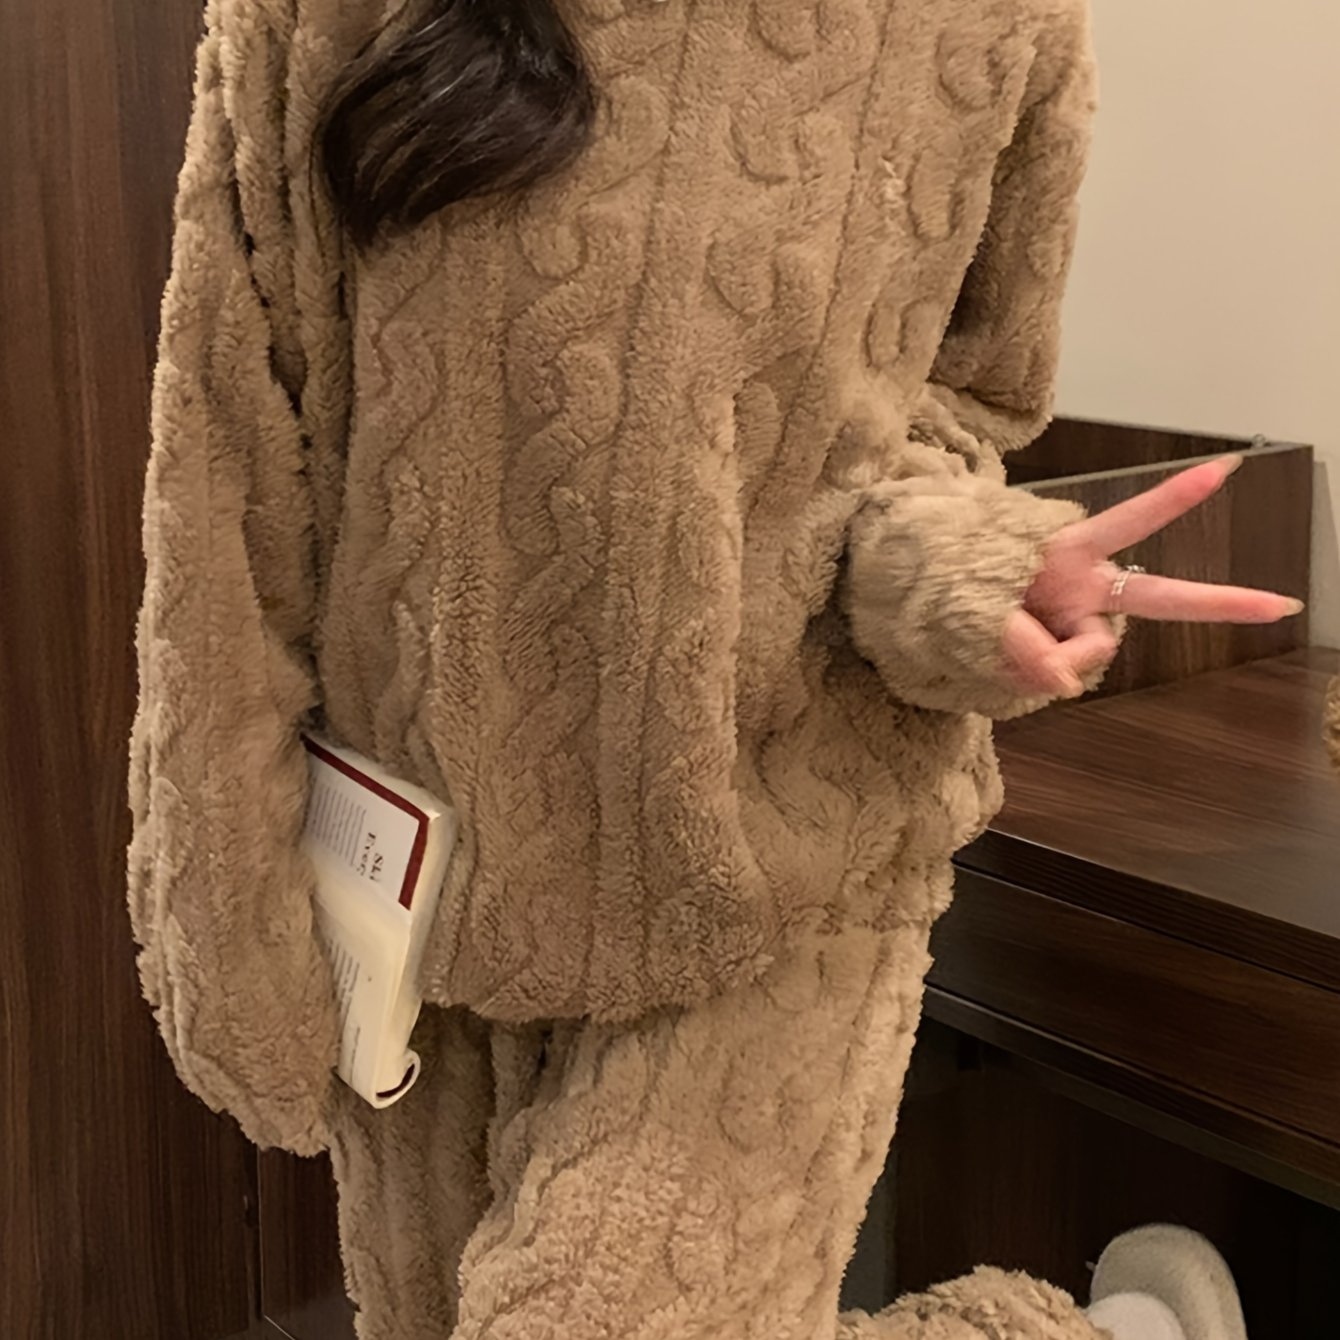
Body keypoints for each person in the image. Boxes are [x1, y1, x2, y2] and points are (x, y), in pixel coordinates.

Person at [127, 0, 1294, 1336]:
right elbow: (230, 451)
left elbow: (951, 413)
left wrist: (949, 572)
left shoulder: (999, 26)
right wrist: (223, 906)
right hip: (432, 905)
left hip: (778, 867)